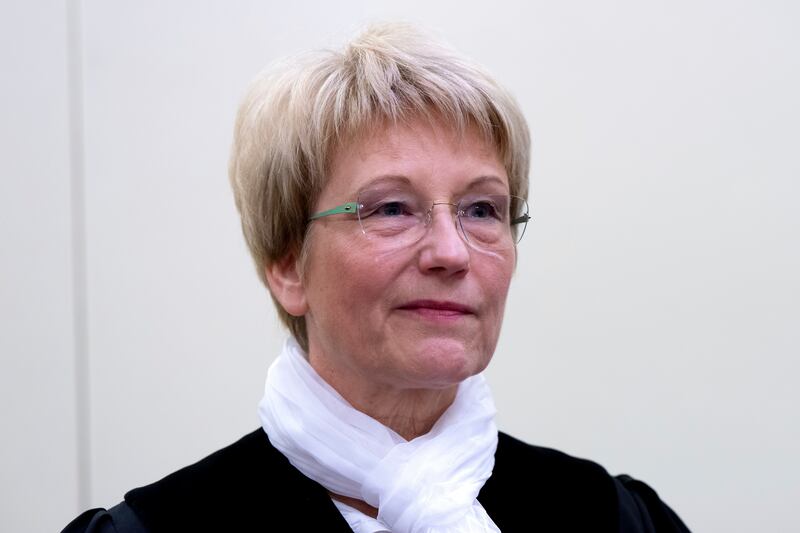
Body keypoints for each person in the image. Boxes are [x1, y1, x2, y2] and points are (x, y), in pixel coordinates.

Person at [63, 23, 690, 532]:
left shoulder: (609, 517)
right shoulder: (159, 531)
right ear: (287, 262)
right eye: (391, 208)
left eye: (481, 209)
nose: (452, 252)